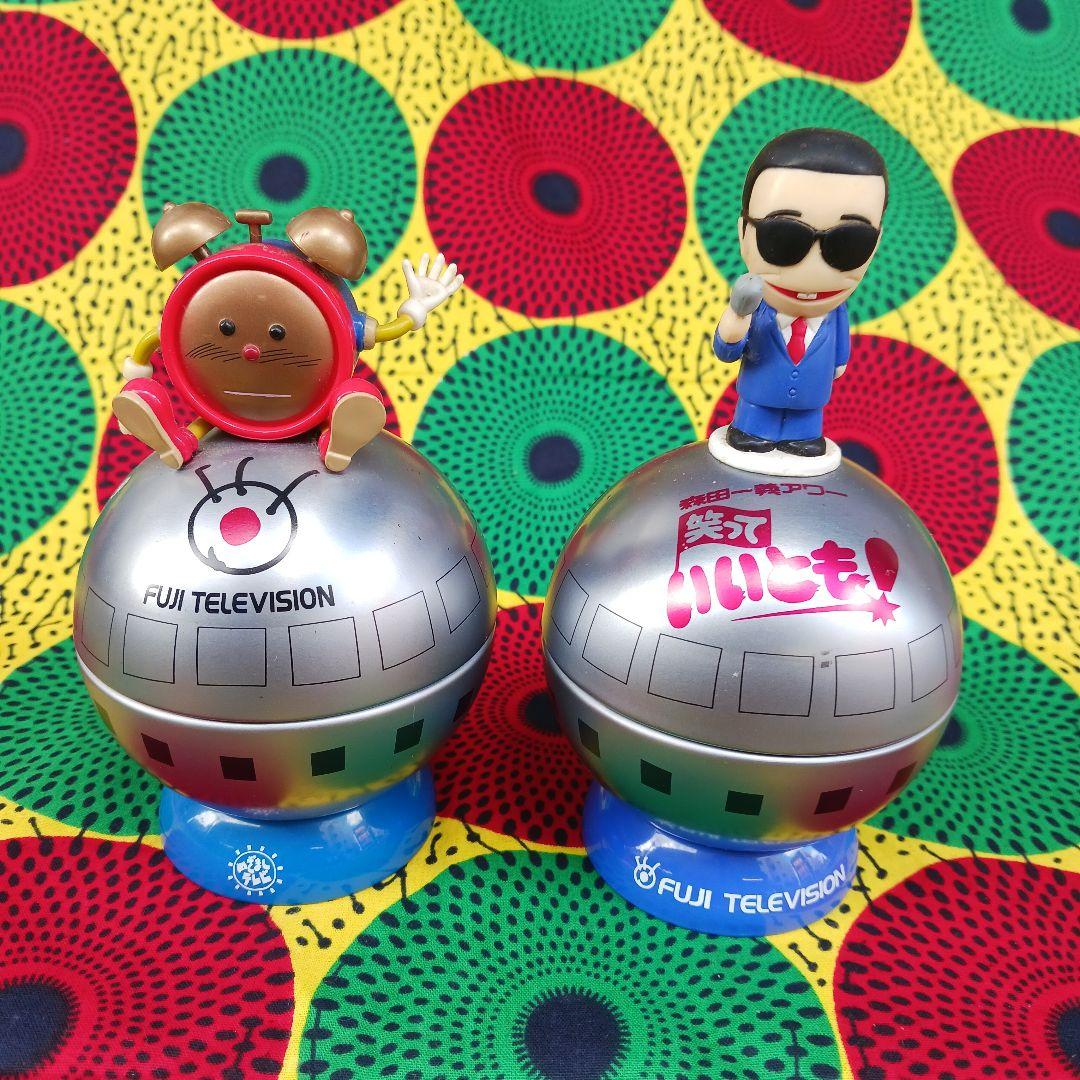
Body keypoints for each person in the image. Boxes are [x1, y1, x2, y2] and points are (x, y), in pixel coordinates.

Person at [713, 128, 887, 458]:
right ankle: (753, 429)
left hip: (811, 401)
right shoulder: (756, 307)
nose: (813, 266)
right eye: (783, 239)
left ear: (875, 244)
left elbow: (840, 355)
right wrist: (737, 315)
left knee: (805, 431)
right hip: (757, 400)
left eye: (849, 244)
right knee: (754, 427)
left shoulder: (836, 313)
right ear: (745, 233)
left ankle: (802, 434)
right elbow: (727, 350)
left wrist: (839, 363)